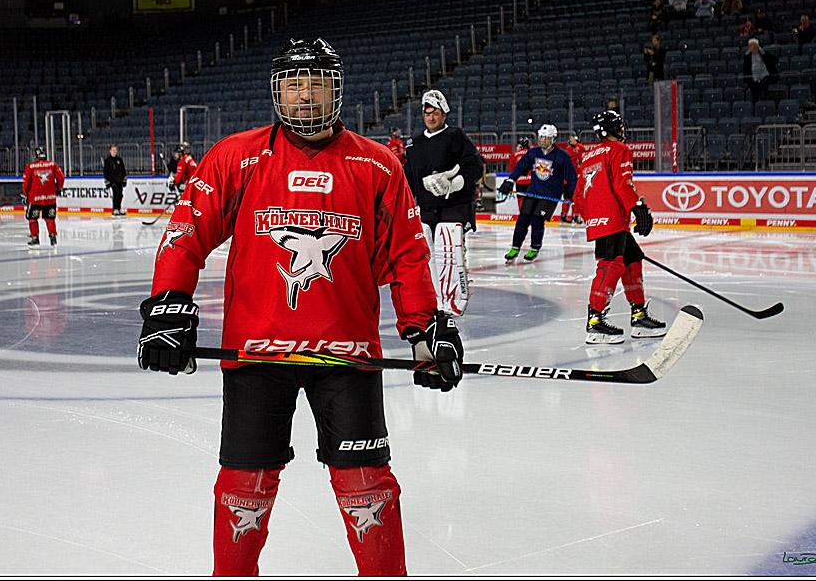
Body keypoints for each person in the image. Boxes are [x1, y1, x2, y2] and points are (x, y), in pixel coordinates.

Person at [135, 37, 465, 577]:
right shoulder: (237, 157)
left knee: (367, 487)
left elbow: (407, 255)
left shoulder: (377, 165)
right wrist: (169, 304)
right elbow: (186, 233)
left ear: (336, 90)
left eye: (316, 83)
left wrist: (427, 328)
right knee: (244, 489)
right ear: (276, 91)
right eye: (293, 84)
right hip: (256, 356)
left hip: (348, 356)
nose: (304, 96)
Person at [571, 110, 667, 344]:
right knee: (611, 264)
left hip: (602, 220)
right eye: (619, 126)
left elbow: (578, 198)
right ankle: (595, 321)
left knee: (632, 259)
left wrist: (594, 217)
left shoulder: (589, 156)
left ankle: (638, 315)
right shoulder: (620, 150)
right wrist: (638, 208)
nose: (622, 131)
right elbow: (622, 183)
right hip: (613, 219)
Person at [402, 88, 484, 236]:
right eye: (428, 114)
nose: (431, 118)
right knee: (428, 256)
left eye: (435, 114)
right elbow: (409, 178)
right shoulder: (414, 144)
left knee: (451, 254)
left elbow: (475, 166)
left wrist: (455, 184)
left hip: (455, 207)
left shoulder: (456, 136)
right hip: (426, 210)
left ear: (444, 115)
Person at [497, 124, 576, 262]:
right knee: (523, 218)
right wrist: (510, 180)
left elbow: (572, 178)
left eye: (546, 138)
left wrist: (577, 194)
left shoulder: (562, 156)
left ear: (553, 139)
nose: (543, 141)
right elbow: (520, 167)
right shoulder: (533, 153)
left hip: (550, 195)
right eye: (542, 138)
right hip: (533, 191)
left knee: (537, 219)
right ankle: (515, 247)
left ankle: (534, 248)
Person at [23, 146, 65, 248]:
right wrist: (58, 187)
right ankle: (52, 237)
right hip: (50, 198)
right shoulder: (52, 165)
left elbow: (26, 183)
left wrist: (26, 194)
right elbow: (61, 177)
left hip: (35, 198)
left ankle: (35, 238)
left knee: (32, 219)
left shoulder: (30, 167)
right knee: (49, 218)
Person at [742, 38, 779, 110]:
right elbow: (745, 69)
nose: (751, 47)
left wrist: (765, 55)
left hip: (764, 77)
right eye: (750, 46)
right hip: (753, 79)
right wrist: (747, 80)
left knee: (763, 94)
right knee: (754, 97)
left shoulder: (763, 53)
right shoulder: (747, 56)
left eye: (752, 45)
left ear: (756, 45)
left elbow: (775, 60)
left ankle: (765, 109)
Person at [560, 135, 585, 225]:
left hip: (566, 179)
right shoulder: (572, 149)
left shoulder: (570, 149)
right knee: (574, 197)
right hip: (571, 178)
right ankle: (575, 216)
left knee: (568, 198)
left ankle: (564, 216)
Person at [103, 145, 128, 217]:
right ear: (110, 151)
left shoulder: (119, 160)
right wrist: (107, 181)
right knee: (116, 194)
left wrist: (124, 179)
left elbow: (123, 170)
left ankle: (119, 208)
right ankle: (115, 209)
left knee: (120, 194)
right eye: (113, 150)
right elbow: (105, 171)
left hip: (119, 180)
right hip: (112, 180)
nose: (114, 151)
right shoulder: (107, 161)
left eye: (115, 150)